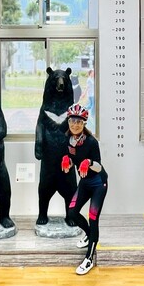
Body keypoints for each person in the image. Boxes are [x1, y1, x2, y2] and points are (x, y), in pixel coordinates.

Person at [62, 103, 108, 275]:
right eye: (72, 121)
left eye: (79, 122)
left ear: (84, 123)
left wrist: (88, 162)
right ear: (68, 122)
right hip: (84, 182)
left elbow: (99, 166)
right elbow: (72, 156)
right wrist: (67, 160)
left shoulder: (91, 142)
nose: (75, 125)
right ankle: (91, 235)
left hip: (98, 183)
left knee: (93, 217)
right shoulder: (68, 139)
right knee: (72, 213)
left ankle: (89, 258)